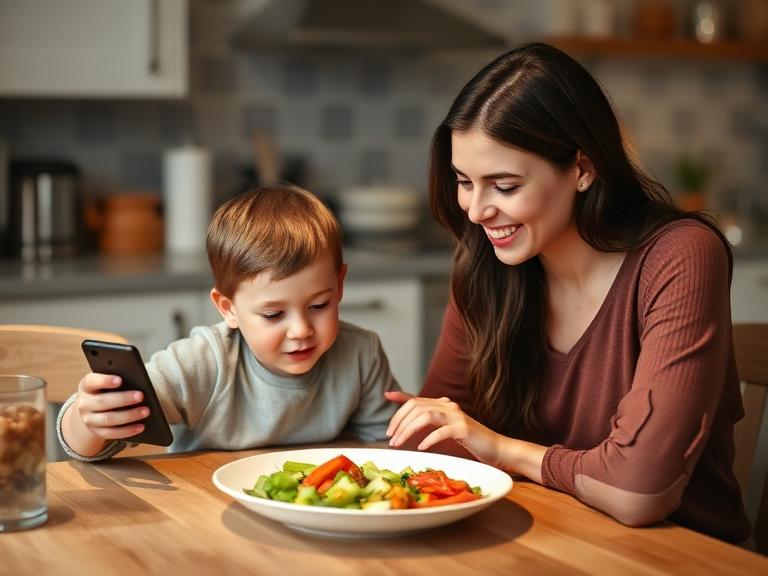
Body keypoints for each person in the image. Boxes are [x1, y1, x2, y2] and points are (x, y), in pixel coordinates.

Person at [385, 42, 750, 544]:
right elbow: (436, 446)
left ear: (583, 169)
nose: (475, 210)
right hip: (549, 540)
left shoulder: (681, 255)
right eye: (464, 181)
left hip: (682, 554)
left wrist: (502, 449)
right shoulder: (486, 262)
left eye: (505, 186)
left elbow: (639, 490)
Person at [58, 185, 400, 460]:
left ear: (340, 285)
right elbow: (95, 443)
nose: (301, 330)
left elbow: (389, 452)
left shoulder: (361, 354)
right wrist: (88, 419)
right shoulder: (204, 362)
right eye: (273, 314)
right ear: (228, 308)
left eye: (319, 305)